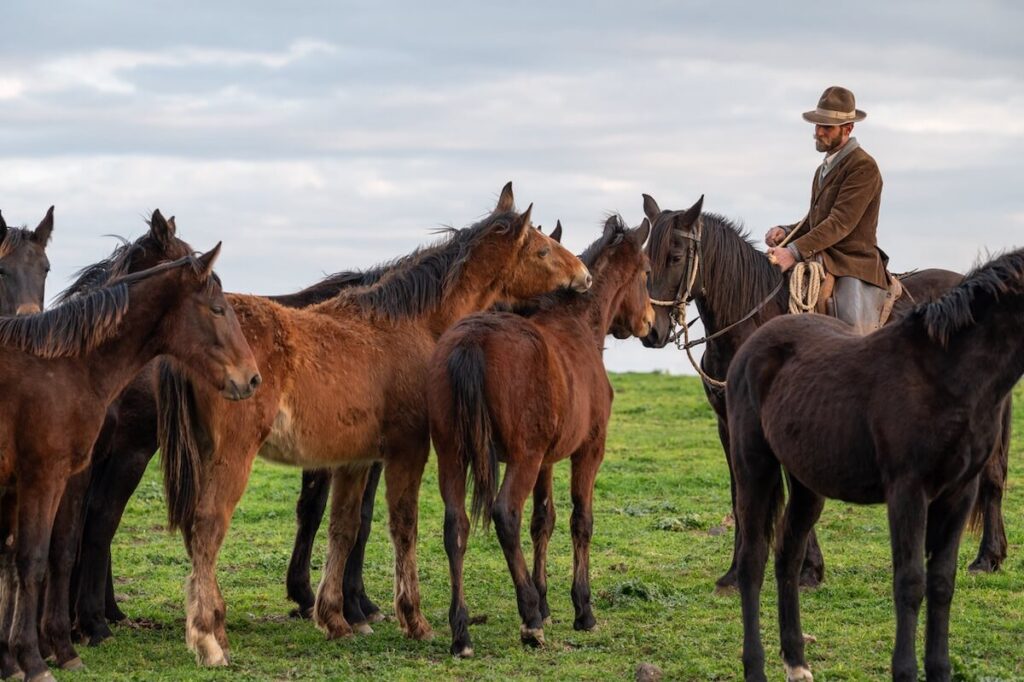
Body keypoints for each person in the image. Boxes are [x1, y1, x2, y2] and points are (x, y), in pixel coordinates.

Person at [765, 86, 891, 333]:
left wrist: (793, 251)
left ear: (848, 128)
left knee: (853, 333)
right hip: (822, 254)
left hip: (852, 261)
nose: (819, 132)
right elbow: (815, 221)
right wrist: (786, 231)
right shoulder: (823, 169)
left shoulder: (863, 166)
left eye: (827, 127)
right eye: (817, 125)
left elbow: (840, 223)